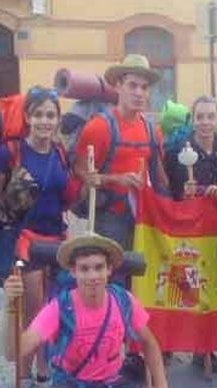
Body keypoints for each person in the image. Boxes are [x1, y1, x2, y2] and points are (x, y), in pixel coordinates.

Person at [2, 234, 179, 388]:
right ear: (73, 272)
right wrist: (10, 306)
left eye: (98, 267)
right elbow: (13, 352)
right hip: (73, 385)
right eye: (84, 269)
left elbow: (149, 342)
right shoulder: (59, 308)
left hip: (114, 383)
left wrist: (161, 385)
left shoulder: (123, 300)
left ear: (110, 270)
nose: (93, 276)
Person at [0, 87, 81, 388]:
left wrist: (86, 182)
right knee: (31, 314)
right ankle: (25, 380)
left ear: (57, 119)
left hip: (57, 241)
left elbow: (66, 198)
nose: (44, 120)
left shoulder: (59, 152)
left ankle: (44, 375)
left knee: (53, 312)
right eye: (38, 114)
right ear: (27, 117)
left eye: (50, 115)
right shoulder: (9, 152)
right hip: (24, 241)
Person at [73, 54, 170, 278]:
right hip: (108, 218)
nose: (139, 93)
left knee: (141, 279)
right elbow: (80, 172)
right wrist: (116, 180)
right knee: (112, 277)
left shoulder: (151, 130)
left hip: (143, 218)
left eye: (144, 88)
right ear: (118, 86)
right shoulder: (98, 127)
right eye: (132, 85)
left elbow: (160, 177)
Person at [163, 95, 217, 374]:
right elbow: (166, 192)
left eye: (211, 116)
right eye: (200, 116)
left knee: (208, 289)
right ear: (192, 119)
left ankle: (204, 349)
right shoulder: (176, 155)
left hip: (213, 233)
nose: (205, 122)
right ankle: (168, 342)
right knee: (182, 289)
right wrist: (181, 195)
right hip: (185, 232)